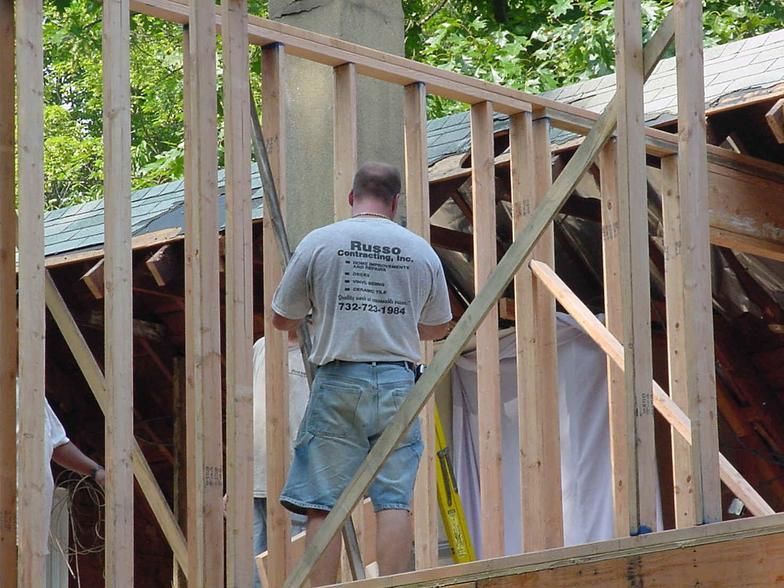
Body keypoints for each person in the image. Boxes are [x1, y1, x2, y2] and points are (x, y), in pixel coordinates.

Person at [271, 161, 452, 585]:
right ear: (395, 202)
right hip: (398, 382)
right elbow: (438, 327)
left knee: (323, 504)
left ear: (352, 198)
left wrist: (325, 311)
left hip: (339, 380)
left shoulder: (321, 242)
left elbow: (282, 319)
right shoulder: (420, 250)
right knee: (393, 499)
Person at [252, 330, 308, 588]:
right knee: (252, 572)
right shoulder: (261, 347)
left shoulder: (316, 351)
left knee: (290, 572)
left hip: (296, 481)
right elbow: (248, 410)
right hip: (255, 480)